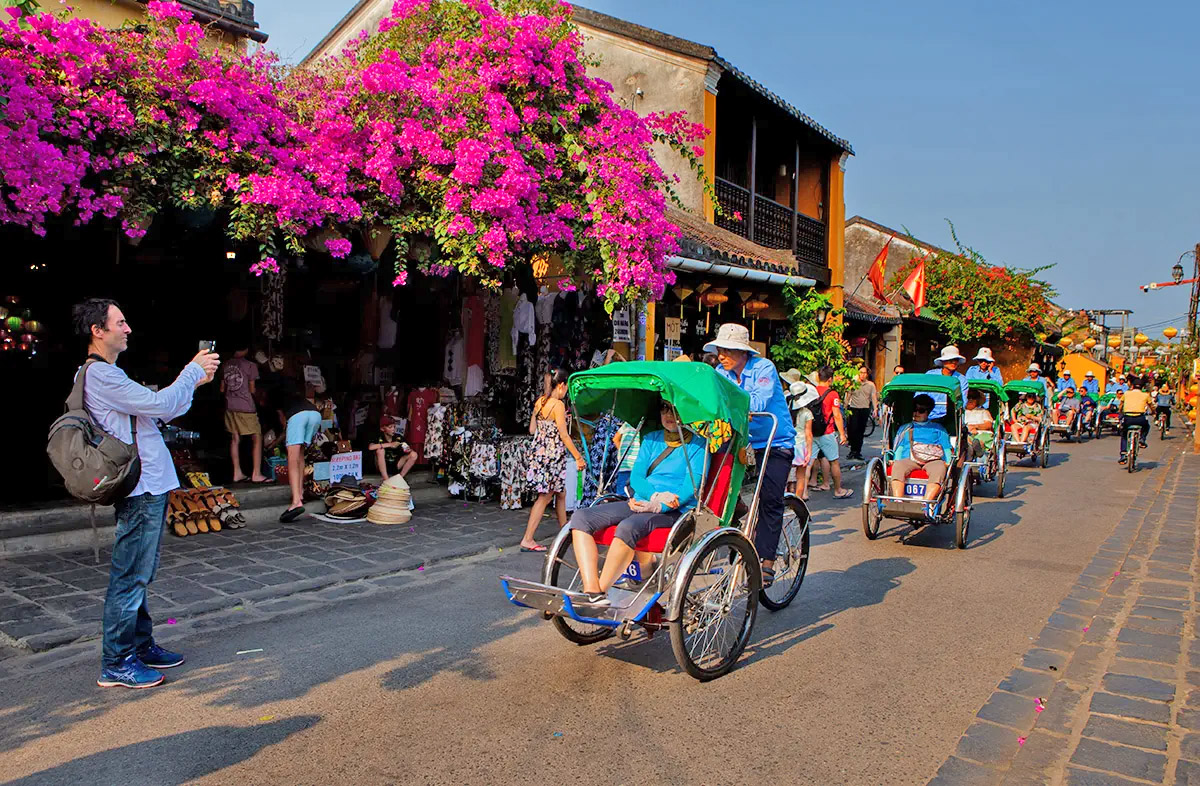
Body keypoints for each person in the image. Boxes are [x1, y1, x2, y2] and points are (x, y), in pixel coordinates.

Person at [72, 298, 220, 689]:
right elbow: (159, 403)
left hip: (149, 483)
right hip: (139, 486)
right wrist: (190, 372)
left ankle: (140, 644)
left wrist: (193, 382)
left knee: (139, 571)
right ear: (97, 331)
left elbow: (162, 412)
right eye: (120, 322)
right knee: (130, 574)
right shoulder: (101, 376)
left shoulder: (111, 375)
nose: (128, 329)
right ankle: (117, 662)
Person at [567, 399, 707, 605]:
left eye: (675, 410)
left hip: (674, 510)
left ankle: (599, 595)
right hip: (641, 501)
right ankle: (592, 590)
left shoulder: (697, 445)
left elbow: (691, 487)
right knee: (581, 517)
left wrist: (660, 505)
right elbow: (637, 477)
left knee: (627, 527)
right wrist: (652, 498)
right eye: (664, 409)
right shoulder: (651, 439)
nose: (669, 415)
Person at [705, 323, 797, 587]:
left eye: (728, 349)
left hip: (774, 441)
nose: (722, 354)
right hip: (740, 441)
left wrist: (727, 402)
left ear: (743, 352)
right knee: (715, 487)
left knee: (770, 499)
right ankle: (736, 521)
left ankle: (767, 561)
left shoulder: (764, 368)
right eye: (720, 349)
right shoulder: (720, 372)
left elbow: (758, 403)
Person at [520, 369, 585, 552]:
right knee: (545, 496)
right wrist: (578, 457)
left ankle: (565, 531)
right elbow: (564, 435)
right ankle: (528, 539)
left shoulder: (540, 402)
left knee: (561, 492)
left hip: (540, 454)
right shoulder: (557, 405)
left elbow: (533, 429)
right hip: (552, 456)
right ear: (562, 385)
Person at [272, 378, 321, 523]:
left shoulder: (277, 399)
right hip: (315, 414)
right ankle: (300, 494)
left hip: (298, 416)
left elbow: (283, 423)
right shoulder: (297, 396)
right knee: (300, 456)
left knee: (292, 459)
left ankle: (295, 502)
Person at [890, 394, 953, 503]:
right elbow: (899, 446)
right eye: (914, 410)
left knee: (939, 470)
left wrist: (948, 461)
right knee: (898, 466)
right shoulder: (905, 428)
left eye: (921, 410)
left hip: (933, 460)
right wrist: (895, 459)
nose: (916, 413)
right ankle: (898, 501)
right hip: (909, 458)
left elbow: (946, 447)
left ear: (928, 412)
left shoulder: (938, 428)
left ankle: (926, 503)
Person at [219, 342, 267, 484]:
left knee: (235, 439)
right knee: (257, 437)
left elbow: (222, 389)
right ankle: (256, 473)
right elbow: (252, 390)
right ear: (246, 349)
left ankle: (237, 472)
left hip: (230, 406)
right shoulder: (250, 365)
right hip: (246, 407)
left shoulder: (225, 365)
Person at [806, 366, 853, 499]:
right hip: (827, 432)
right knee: (833, 462)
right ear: (830, 379)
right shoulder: (832, 394)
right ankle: (838, 490)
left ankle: (803, 492)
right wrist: (842, 434)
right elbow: (837, 415)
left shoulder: (811, 391)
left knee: (808, 463)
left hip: (811, 432)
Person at [788, 379, 817, 500]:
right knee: (801, 476)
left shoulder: (786, 410)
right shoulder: (807, 413)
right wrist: (809, 452)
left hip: (788, 444)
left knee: (785, 476)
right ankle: (798, 501)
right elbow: (808, 434)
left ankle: (785, 497)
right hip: (801, 446)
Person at [925, 345, 969, 422]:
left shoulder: (962, 379)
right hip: (929, 417)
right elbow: (920, 396)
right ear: (943, 361)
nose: (953, 362)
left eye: (956, 360)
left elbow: (963, 402)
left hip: (952, 419)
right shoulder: (930, 375)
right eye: (950, 359)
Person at [369, 415, 417, 481]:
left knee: (414, 454)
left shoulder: (398, 437)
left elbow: (407, 448)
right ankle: (386, 479)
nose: (393, 429)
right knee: (380, 451)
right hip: (382, 466)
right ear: (382, 429)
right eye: (390, 427)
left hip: (396, 464)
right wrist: (390, 444)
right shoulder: (378, 436)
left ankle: (400, 478)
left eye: (394, 427)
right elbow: (371, 447)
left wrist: (408, 450)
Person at [845, 366, 878, 461]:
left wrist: (875, 409)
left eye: (864, 373)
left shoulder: (871, 385)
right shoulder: (853, 384)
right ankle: (852, 450)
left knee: (860, 431)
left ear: (867, 374)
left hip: (864, 409)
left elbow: (873, 397)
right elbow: (848, 395)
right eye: (860, 372)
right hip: (854, 409)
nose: (862, 375)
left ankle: (857, 452)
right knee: (852, 430)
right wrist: (846, 406)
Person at [1119, 379, 1151, 464]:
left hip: (1127, 418)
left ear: (1132, 386)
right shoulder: (1145, 395)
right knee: (1147, 426)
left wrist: (1120, 412)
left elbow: (1121, 404)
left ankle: (1123, 455)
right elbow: (1151, 405)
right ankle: (1142, 440)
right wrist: (1154, 413)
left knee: (1124, 434)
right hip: (1140, 418)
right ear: (1142, 387)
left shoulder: (1126, 393)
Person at [964, 389, 995, 459]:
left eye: (974, 397)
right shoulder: (962, 413)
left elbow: (988, 425)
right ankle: (975, 448)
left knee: (980, 440)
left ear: (977, 400)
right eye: (969, 397)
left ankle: (977, 448)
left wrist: (975, 427)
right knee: (966, 439)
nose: (971, 400)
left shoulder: (983, 411)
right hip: (967, 434)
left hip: (982, 433)